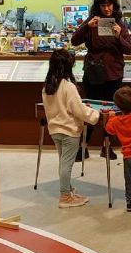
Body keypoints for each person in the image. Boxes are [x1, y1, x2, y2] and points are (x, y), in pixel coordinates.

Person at [71, 0, 131, 161]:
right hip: (93, 73)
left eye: (109, 4)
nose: (107, 9)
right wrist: (87, 26)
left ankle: (107, 146)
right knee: (90, 110)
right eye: (103, 5)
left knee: (111, 112)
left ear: (114, 5)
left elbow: (129, 49)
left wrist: (118, 35)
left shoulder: (119, 23)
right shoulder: (92, 22)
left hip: (113, 73)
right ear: (98, 6)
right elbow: (74, 41)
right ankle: (83, 146)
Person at [41, 49, 101, 208]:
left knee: (63, 162)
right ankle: (65, 197)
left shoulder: (48, 87)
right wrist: (95, 115)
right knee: (66, 164)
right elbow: (79, 110)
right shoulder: (68, 87)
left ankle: (67, 190)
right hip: (69, 131)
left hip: (55, 130)